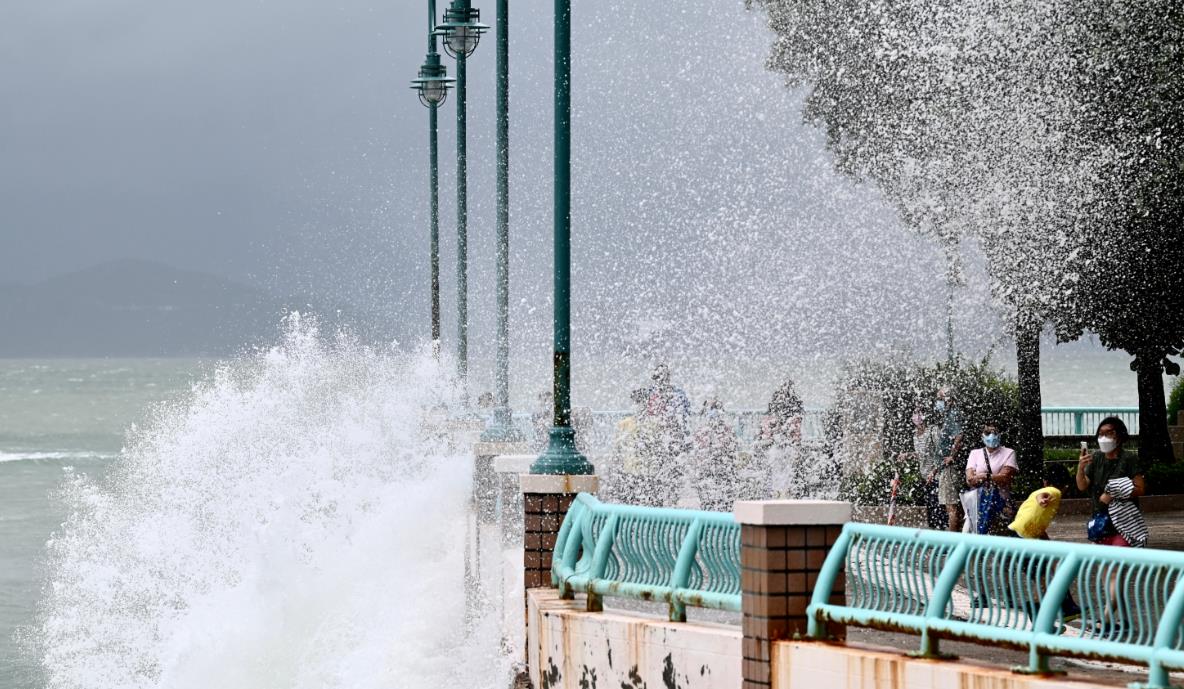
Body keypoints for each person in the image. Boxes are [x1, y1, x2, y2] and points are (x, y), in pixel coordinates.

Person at [1076, 417, 1147, 548]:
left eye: (1109, 433)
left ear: (1119, 437)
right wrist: (1080, 468)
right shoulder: (1096, 457)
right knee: (1101, 559)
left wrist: (1113, 493)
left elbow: (1140, 488)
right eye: (1100, 434)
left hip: (1123, 523)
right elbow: (1082, 485)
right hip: (1100, 523)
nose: (1103, 438)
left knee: (1117, 558)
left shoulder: (1129, 459)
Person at [753, 379, 806, 498]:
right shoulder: (794, 414)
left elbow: (765, 433)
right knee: (786, 472)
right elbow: (796, 434)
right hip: (785, 447)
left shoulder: (775, 414)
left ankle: (776, 493)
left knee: (776, 471)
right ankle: (784, 493)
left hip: (778, 447)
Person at [964, 422, 1018, 535]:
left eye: (994, 432)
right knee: (973, 529)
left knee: (1000, 532)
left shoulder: (1009, 453)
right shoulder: (975, 453)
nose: (991, 436)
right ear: (982, 436)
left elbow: (1005, 477)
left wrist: (984, 476)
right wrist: (993, 477)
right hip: (977, 501)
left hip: (1001, 500)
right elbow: (970, 480)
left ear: (1000, 435)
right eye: (988, 432)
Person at [691, 397, 741, 511]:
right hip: (710, 472)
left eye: (715, 409)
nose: (713, 413)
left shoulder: (726, 431)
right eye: (711, 409)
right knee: (711, 500)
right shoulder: (703, 432)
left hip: (721, 472)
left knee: (722, 501)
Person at [935, 388, 964, 531]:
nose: (938, 402)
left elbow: (959, 436)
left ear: (949, 399)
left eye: (940, 399)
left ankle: (953, 541)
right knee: (953, 507)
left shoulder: (953, 414)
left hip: (949, 469)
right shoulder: (950, 414)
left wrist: (952, 456)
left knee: (951, 507)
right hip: (946, 468)